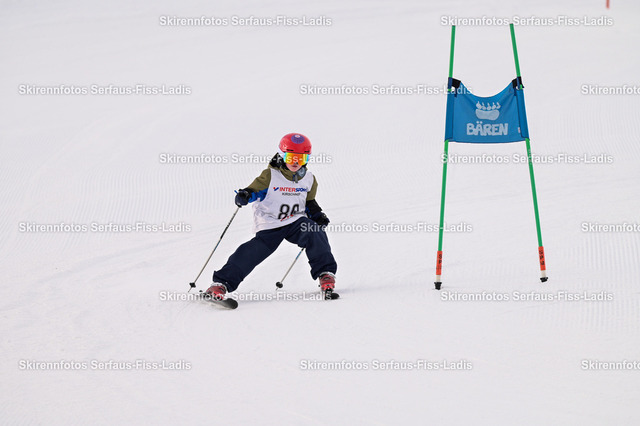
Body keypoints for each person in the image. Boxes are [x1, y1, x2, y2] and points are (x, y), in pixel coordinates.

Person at [206, 133, 338, 300]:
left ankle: (325, 274)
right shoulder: (270, 175)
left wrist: (318, 215)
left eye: (301, 158)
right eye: (290, 158)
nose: (295, 162)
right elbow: (254, 191)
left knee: (314, 231)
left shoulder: (309, 179)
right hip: (270, 224)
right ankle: (221, 284)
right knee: (252, 252)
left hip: (295, 221)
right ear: (282, 156)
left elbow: (309, 201)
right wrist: (245, 195)